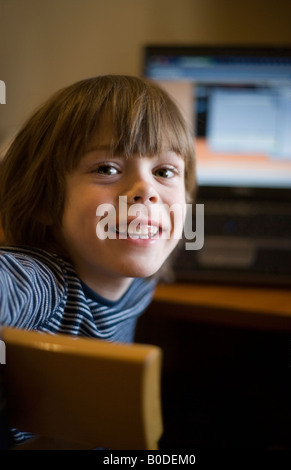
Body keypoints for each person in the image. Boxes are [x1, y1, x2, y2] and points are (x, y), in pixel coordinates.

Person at [0, 74, 196, 446]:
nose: (146, 191)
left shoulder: (141, 281)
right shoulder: (40, 281)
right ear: (45, 201)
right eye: (106, 169)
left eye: (164, 172)